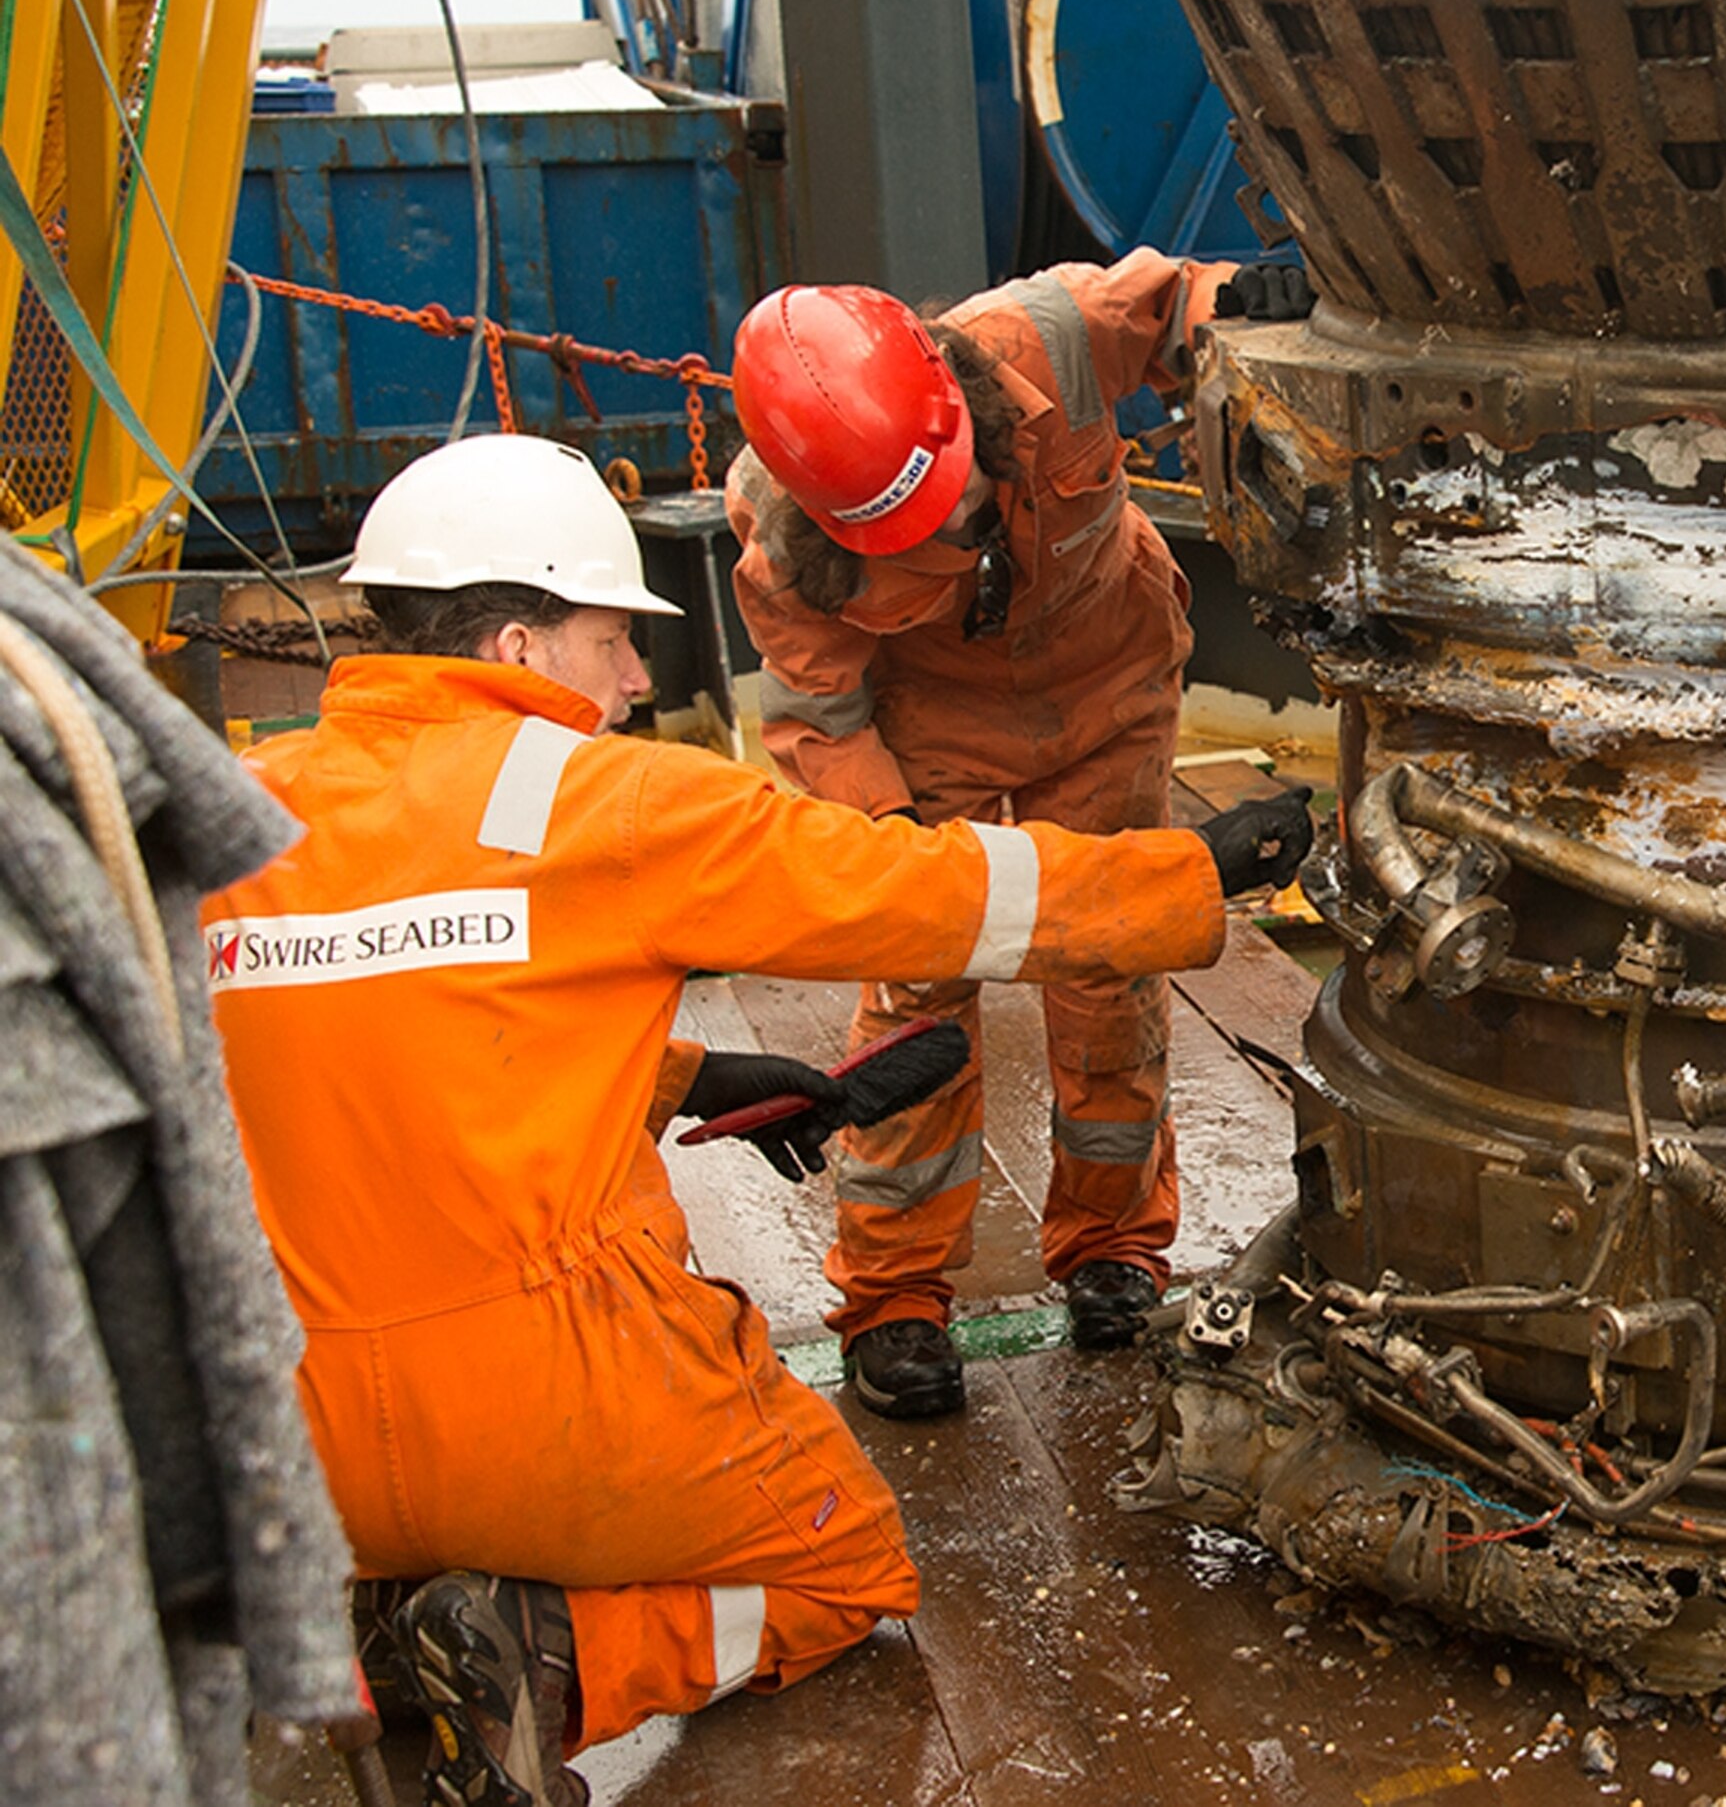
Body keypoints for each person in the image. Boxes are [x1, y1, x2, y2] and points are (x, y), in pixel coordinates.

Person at [200, 433, 1311, 1805]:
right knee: (842, 1568)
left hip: (291, 1427)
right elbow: (917, 891)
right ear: (516, 639)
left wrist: (672, 1072)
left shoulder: (239, 811)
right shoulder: (601, 799)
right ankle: (553, 1654)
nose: (634, 676)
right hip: (554, 1393)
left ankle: (375, 1648)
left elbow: (373, 1007)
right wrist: (1183, 872)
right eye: (612, 638)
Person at [724, 248, 1312, 1407]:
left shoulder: (1045, 340)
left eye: (958, 509)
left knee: (1113, 978)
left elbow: (1168, 301)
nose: (956, 536)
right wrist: (908, 873)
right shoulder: (779, 532)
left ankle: (1112, 1251)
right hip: (933, 726)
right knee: (915, 995)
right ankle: (892, 1299)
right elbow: (823, 715)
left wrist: (1234, 303)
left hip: (1110, 690)